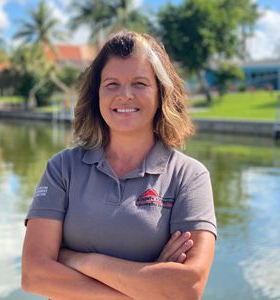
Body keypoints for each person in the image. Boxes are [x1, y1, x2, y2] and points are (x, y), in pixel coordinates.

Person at [22, 30, 217, 300]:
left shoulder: (189, 176)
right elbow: (34, 275)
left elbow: (188, 288)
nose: (125, 95)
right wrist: (149, 286)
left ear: (161, 93)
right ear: (97, 95)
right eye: (112, 84)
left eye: (139, 83)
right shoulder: (62, 168)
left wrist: (80, 260)